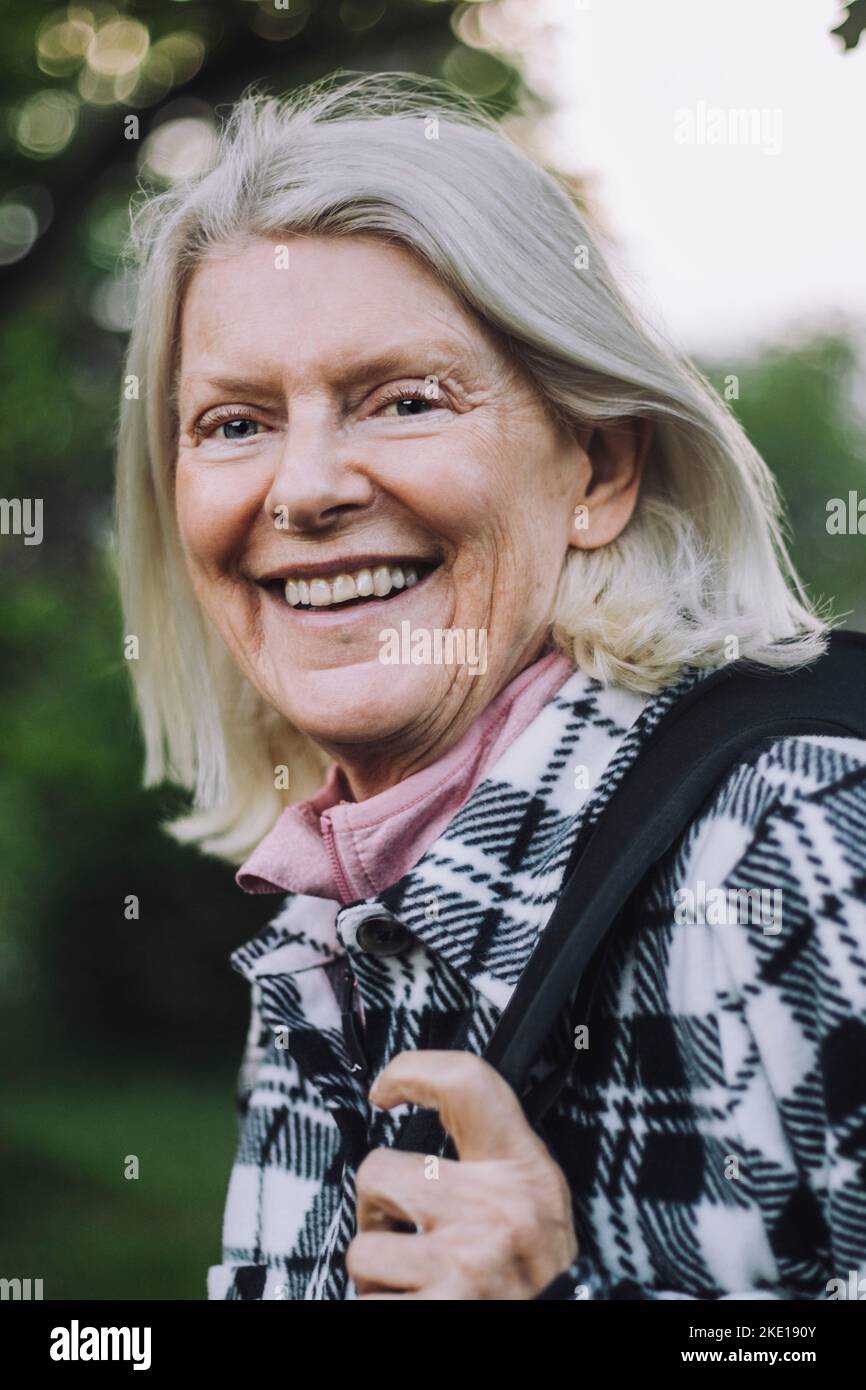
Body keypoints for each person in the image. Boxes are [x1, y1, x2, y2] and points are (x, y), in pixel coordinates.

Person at [114, 72, 866, 1301]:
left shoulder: (796, 843)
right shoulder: (322, 933)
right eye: (235, 423)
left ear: (599, 468)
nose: (301, 491)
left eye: (404, 401)